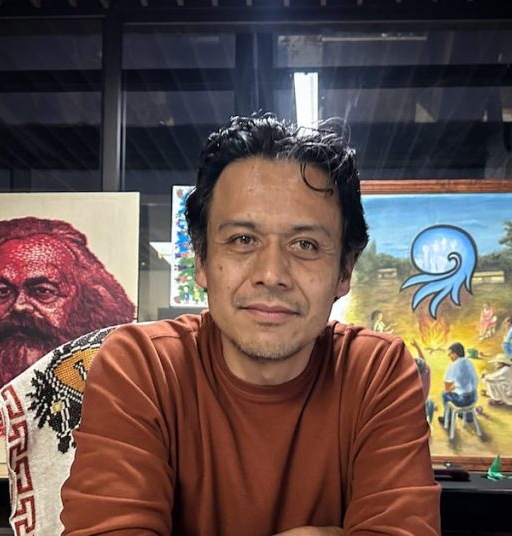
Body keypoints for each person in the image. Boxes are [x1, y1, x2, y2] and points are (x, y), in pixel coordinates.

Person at [61, 114, 440, 535]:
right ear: (201, 260)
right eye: (243, 240)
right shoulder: (142, 367)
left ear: (345, 270)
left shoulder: (376, 373)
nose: (271, 274)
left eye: (305, 244)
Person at [0, 217, 136, 439]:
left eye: (43, 291)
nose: (19, 305)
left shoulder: (116, 405)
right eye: (2, 292)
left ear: (89, 304)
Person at [441, 342, 478, 419]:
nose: (448, 355)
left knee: (445, 394)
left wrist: (453, 388)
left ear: (455, 353)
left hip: (464, 400)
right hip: (473, 397)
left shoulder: (454, 365)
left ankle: (448, 419)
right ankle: (468, 415)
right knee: (461, 390)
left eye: (450, 353)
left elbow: (447, 387)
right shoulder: (468, 361)